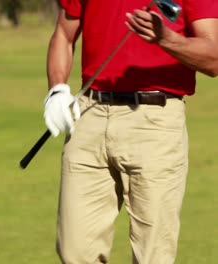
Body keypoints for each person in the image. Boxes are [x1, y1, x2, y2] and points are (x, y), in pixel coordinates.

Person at [43, 0, 218, 263]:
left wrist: (167, 39)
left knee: (153, 254)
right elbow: (64, 35)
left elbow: (213, 58)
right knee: (75, 251)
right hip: (89, 116)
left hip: (155, 121)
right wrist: (56, 90)